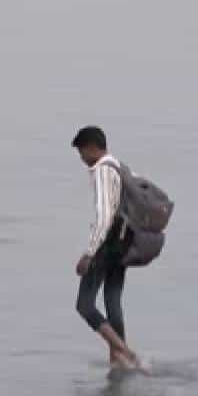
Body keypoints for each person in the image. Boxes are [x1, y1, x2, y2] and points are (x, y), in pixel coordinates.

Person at [71, 126, 143, 371]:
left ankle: (124, 352)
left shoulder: (102, 170)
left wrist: (89, 253)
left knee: (84, 305)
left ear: (92, 148)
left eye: (81, 152)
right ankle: (118, 361)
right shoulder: (121, 167)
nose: (81, 159)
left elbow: (104, 216)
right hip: (125, 243)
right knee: (113, 299)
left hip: (107, 243)